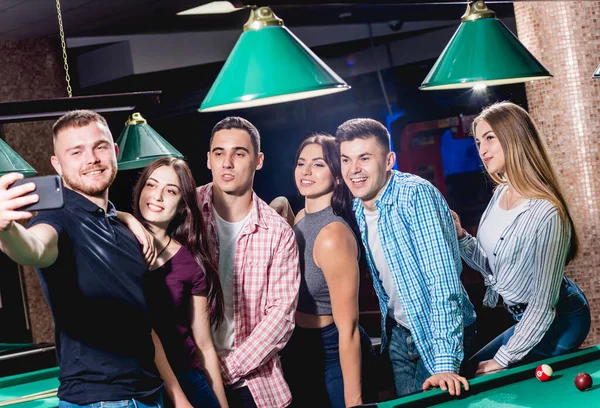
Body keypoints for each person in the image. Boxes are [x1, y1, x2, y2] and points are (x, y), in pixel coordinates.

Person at [0, 110, 191, 408]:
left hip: (149, 396)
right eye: (76, 151)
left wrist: (178, 398)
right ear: (57, 165)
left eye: (99, 147)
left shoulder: (126, 230)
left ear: (114, 153)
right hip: (99, 401)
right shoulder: (57, 218)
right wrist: (6, 229)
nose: (91, 159)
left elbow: (142, 326)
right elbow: (34, 248)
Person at [335, 118, 476, 398]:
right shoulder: (358, 207)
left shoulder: (415, 195)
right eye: (346, 160)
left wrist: (445, 361)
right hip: (399, 332)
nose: (354, 170)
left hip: (440, 331)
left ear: (389, 161)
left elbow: (443, 282)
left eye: (364, 158)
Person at [451, 101, 590, 375]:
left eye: (490, 138)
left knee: (480, 375)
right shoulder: (501, 192)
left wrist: (502, 360)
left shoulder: (547, 212)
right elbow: (494, 269)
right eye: (478, 142)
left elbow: (542, 305)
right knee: (468, 371)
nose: (482, 149)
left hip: (561, 318)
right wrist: (462, 237)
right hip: (525, 316)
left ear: (514, 137)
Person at [197, 117, 300, 408]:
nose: (227, 162)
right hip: (189, 378)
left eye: (238, 153)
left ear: (258, 160)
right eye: (219, 153)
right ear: (208, 160)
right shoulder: (186, 211)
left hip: (252, 385)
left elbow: (281, 317)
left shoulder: (278, 233)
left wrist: (225, 370)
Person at [118, 157, 229, 407]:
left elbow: (203, 344)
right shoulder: (118, 244)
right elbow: (89, 215)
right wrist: (125, 217)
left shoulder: (190, 262)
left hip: (188, 379)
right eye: (151, 185)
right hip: (140, 385)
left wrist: (222, 405)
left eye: (170, 191)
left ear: (182, 205)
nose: (157, 196)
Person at [278, 134, 375, 408]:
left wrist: (354, 401)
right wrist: (280, 204)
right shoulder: (299, 218)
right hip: (299, 345)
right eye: (301, 163)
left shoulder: (333, 235)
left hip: (334, 350)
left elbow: (349, 330)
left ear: (337, 177)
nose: (306, 171)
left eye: (318, 164)